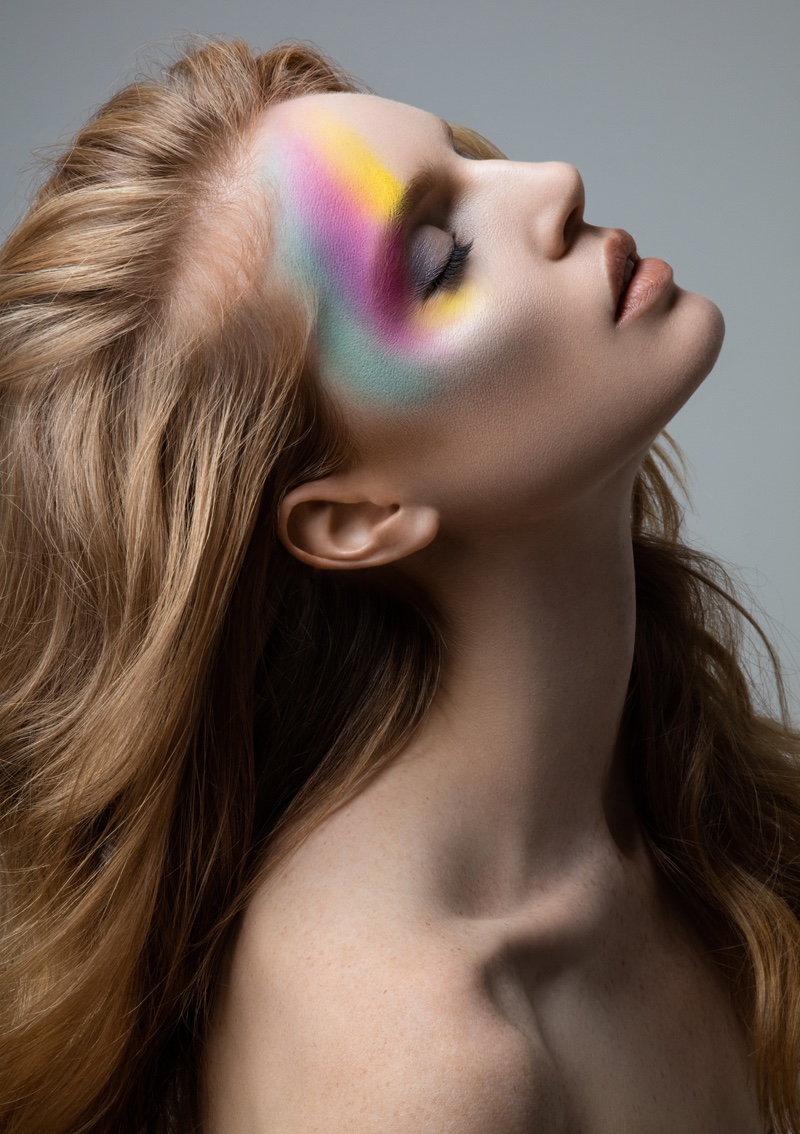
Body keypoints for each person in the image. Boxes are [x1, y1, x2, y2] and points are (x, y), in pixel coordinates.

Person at [0, 36, 797, 1134]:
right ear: (353, 517)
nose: (553, 183)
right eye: (436, 260)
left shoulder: (689, 814)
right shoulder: (417, 1074)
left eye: (466, 161)